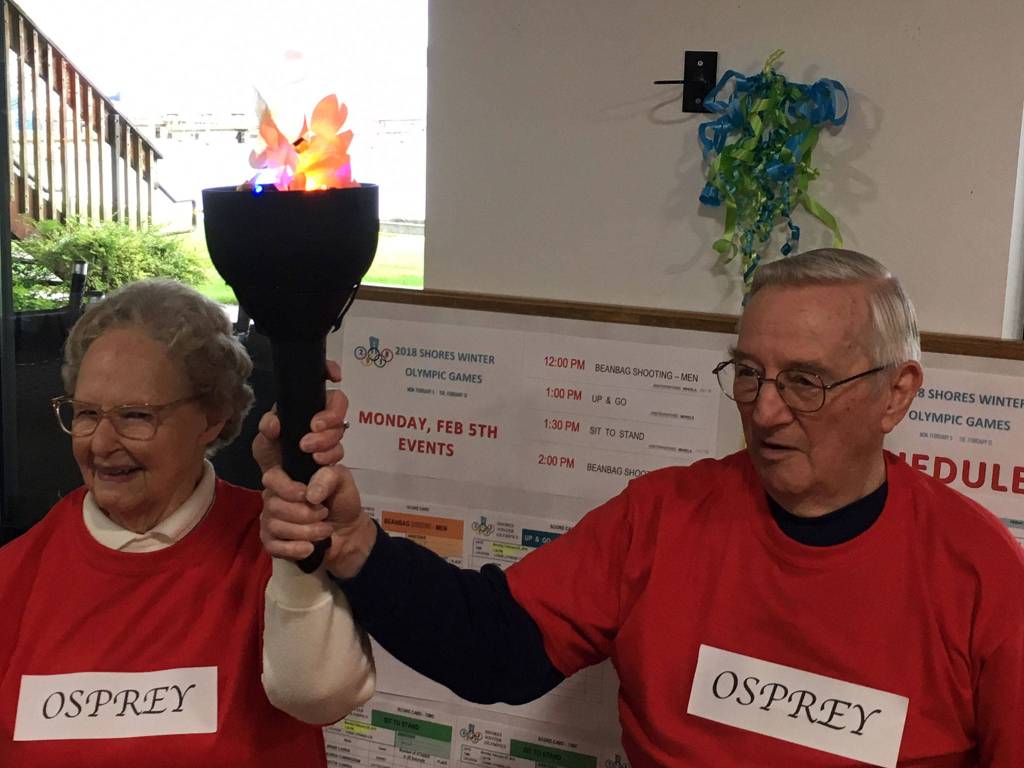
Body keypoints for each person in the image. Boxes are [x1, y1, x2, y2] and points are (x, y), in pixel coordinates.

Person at [257, 249, 1024, 767]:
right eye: (749, 373)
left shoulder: (982, 573)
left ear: (896, 394)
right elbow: (497, 648)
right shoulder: (667, 515)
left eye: (805, 382)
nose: (764, 411)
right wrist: (352, 542)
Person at [0, 279, 374, 767]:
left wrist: (294, 522)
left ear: (213, 417)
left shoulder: (274, 544)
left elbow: (320, 696)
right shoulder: (16, 575)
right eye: (87, 413)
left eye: (136, 415)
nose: (101, 443)